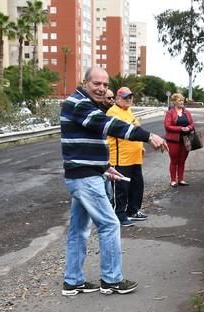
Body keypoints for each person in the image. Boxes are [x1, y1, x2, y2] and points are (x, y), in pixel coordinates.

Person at [60, 66, 167, 296]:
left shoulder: (86, 104)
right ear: (84, 82)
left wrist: (104, 167)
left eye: (105, 85)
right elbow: (110, 126)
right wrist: (148, 135)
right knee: (110, 224)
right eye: (96, 84)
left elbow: (83, 144)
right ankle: (111, 280)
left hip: (86, 174)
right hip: (85, 179)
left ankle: (72, 281)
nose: (101, 89)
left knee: (78, 230)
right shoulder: (78, 104)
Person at [106, 87, 148, 226]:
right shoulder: (113, 113)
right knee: (121, 188)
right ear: (117, 99)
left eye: (130, 97)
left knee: (137, 185)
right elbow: (123, 131)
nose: (128, 100)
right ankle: (118, 214)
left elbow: (135, 130)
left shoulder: (128, 111)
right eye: (125, 97)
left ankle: (133, 210)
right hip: (121, 159)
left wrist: (140, 146)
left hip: (135, 158)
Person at [163, 93, 195, 187]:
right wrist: (180, 128)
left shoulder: (187, 112)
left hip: (186, 139)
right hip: (173, 140)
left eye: (182, 100)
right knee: (174, 160)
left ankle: (181, 179)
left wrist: (189, 128)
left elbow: (192, 124)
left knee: (182, 160)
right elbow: (167, 126)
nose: (182, 102)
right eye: (179, 100)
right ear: (174, 102)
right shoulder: (170, 113)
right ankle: (173, 180)